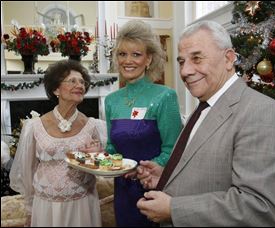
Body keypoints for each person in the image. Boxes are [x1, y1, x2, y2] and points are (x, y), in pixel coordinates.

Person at [136, 20, 275, 226]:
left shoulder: (261, 111)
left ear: (228, 59)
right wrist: (166, 177)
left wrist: (174, 209)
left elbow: (260, 207)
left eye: (197, 58)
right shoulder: (203, 107)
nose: (185, 71)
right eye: (182, 61)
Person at [9, 60, 106, 227]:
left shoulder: (94, 126)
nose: (80, 85)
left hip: (82, 204)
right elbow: (28, 169)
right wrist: (30, 209)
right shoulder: (34, 126)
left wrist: (97, 156)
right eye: (72, 81)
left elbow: (105, 164)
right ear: (56, 89)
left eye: (82, 82)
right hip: (45, 206)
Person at [104, 19, 182, 227]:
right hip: (122, 190)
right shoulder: (111, 100)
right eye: (122, 54)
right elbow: (112, 148)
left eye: (136, 54)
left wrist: (141, 169)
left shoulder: (165, 96)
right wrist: (101, 155)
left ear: (149, 59)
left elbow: (173, 151)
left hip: (154, 189)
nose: (128, 60)